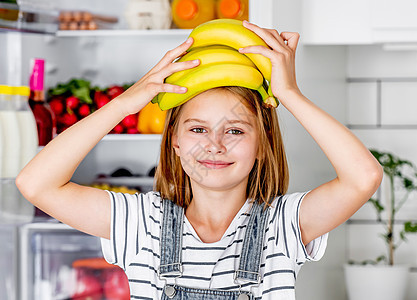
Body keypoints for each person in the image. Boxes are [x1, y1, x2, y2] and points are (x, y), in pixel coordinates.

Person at [16, 21, 383, 299]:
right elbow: (35, 183)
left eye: (236, 131)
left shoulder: (283, 226)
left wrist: (289, 93)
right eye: (197, 130)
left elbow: (362, 177)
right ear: (173, 141)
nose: (215, 145)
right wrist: (129, 101)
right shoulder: (141, 223)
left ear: (263, 143)